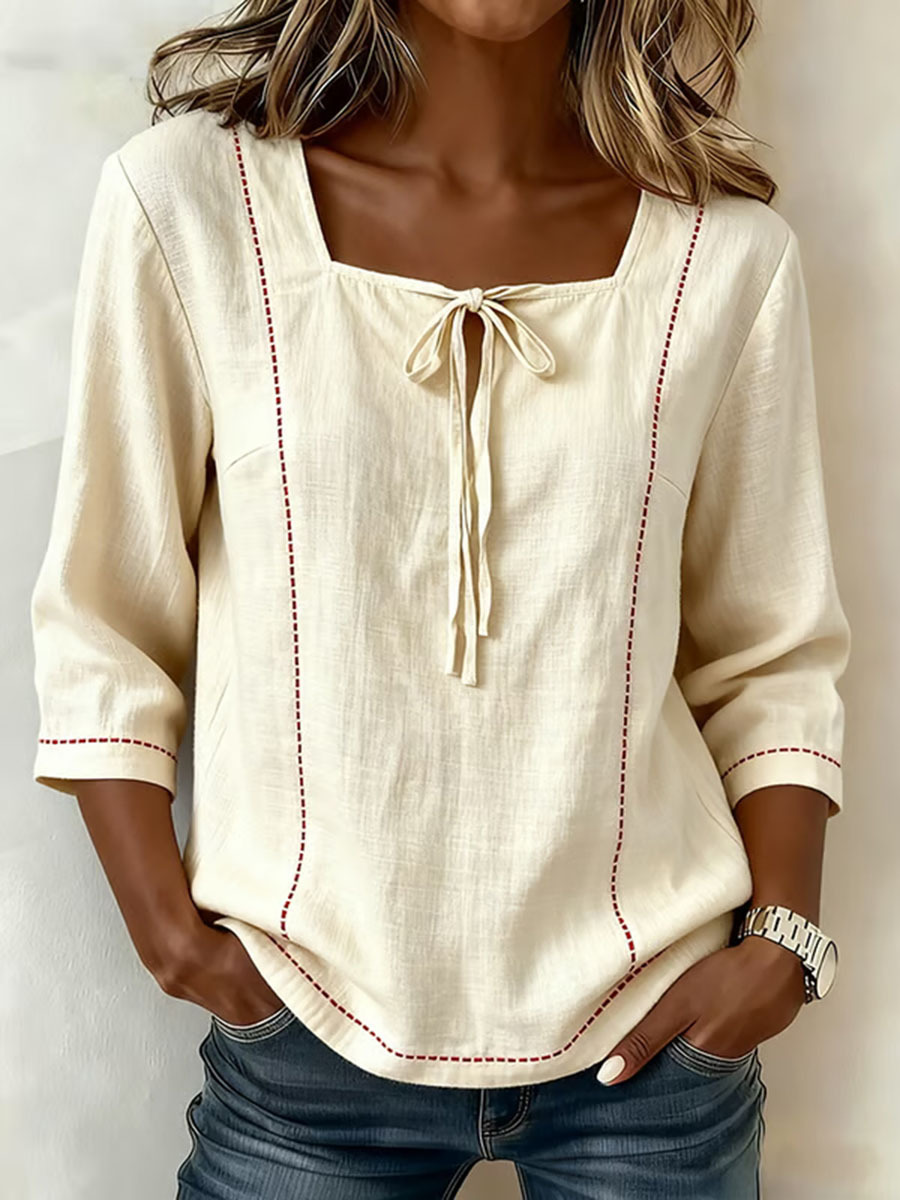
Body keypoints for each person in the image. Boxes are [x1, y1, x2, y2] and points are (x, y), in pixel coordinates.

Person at [29, 0, 851, 1196]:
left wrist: (780, 946)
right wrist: (170, 936)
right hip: (305, 1036)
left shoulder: (722, 259)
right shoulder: (193, 207)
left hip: (656, 1046)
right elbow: (105, 617)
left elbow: (769, 652)